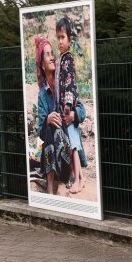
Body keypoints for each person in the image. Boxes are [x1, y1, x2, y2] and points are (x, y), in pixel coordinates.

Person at [34, 36, 88, 196]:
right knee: (50, 125)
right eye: (47, 54)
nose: (52, 57)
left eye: (52, 53)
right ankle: (50, 184)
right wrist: (46, 120)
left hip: (67, 152)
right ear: (42, 64)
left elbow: (82, 110)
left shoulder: (64, 84)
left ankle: (68, 175)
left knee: (56, 125)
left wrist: (73, 115)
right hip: (52, 154)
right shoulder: (42, 95)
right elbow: (39, 131)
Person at [55, 17, 84, 194]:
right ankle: (76, 177)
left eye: (63, 37)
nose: (60, 41)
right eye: (58, 37)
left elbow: (70, 83)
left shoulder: (68, 59)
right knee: (70, 144)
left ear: (69, 40)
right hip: (64, 109)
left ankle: (79, 180)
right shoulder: (61, 59)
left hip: (70, 109)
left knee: (73, 145)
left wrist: (67, 105)